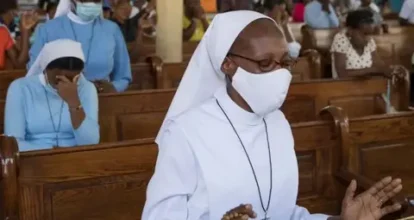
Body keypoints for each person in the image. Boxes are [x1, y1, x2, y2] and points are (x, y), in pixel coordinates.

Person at [142, 11, 403, 220]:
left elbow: (284, 214)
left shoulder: (277, 123)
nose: (279, 74)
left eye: (285, 63)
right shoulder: (186, 132)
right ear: (227, 63)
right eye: (265, 64)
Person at [4, 39, 99, 152]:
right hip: (34, 158)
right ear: (45, 70)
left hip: (75, 157)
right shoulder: (21, 88)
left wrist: (74, 102)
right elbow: (13, 143)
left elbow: (90, 143)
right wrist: (51, 152)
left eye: (74, 79)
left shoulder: (87, 88)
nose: (68, 84)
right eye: (59, 79)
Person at [29, 0, 132, 93]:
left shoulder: (112, 30)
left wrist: (113, 87)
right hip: (59, 103)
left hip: (103, 101)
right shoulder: (48, 30)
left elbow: (123, 76)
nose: (91, 3)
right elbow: (35, 75)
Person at [331, 10, 406, 79]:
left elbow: (379, 65)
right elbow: (342, 74)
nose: (367, 39)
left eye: (370, 34)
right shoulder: (340, 40)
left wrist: (393, 70)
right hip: (343, 89)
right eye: (364, 34)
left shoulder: (370, 41)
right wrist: (373, 70)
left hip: (367, 87)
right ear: (350, 31)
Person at [0, 0, 38, 70]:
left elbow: (19, 64)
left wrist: (26, 30)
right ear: (11, 12)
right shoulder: (4, 29)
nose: (16, 14)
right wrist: (25, 30)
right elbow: (19, 64)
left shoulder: (3, 31)